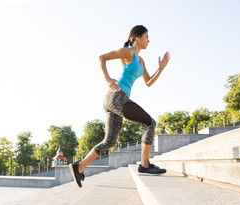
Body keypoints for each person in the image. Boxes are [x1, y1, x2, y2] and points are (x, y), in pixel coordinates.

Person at [69, 25, 170, 188]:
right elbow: (102, 57)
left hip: (113, 100)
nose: (148, 40)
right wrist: (108, 79)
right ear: (137, 37)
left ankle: (79, 166)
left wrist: (161, 68)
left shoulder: (141, 60)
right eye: (146, 37)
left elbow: (148, 82)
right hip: (117, 96)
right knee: (150, 123)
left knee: (109, 141)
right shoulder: (128, 52)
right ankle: (144, 165)